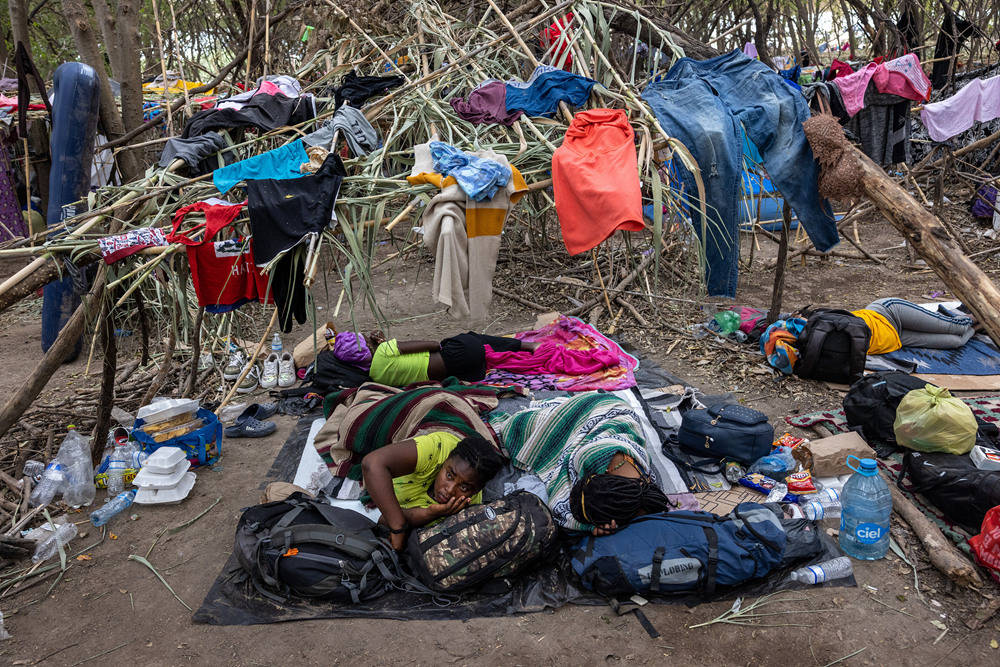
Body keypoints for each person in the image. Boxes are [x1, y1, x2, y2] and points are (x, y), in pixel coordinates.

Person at [489, 392, 673, 534]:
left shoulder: (644, 490)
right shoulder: (588, 458)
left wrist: (592, 528)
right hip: (596, 409)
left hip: (611, 421)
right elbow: (558, 498)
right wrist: (588, 528)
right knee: (518, 427)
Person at [361, 433, 505, 549]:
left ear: (477, 490)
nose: (449, 490)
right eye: (449, 475)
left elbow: (383, 518)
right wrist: (398, 528)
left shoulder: (466, 507)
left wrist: (431, 514)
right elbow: (372, 464)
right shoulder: (437, 449)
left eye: (464, 487)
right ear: (446, 460)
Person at [333, 330, 540, 387]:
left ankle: (513, 351)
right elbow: (433, 345)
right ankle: (527, 345)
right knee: (472, 338)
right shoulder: (384, 349)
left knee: (473, 348)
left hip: (465, 372)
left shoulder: (376, 377)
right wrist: (384, 344)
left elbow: (400, 367)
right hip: (458, 355)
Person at [852, 298, 975, 354]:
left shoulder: (834, 325)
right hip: (895, 338)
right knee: (955, 341)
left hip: (887, 313)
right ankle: (978, 327)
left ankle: (981, 313)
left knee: (957, 327)